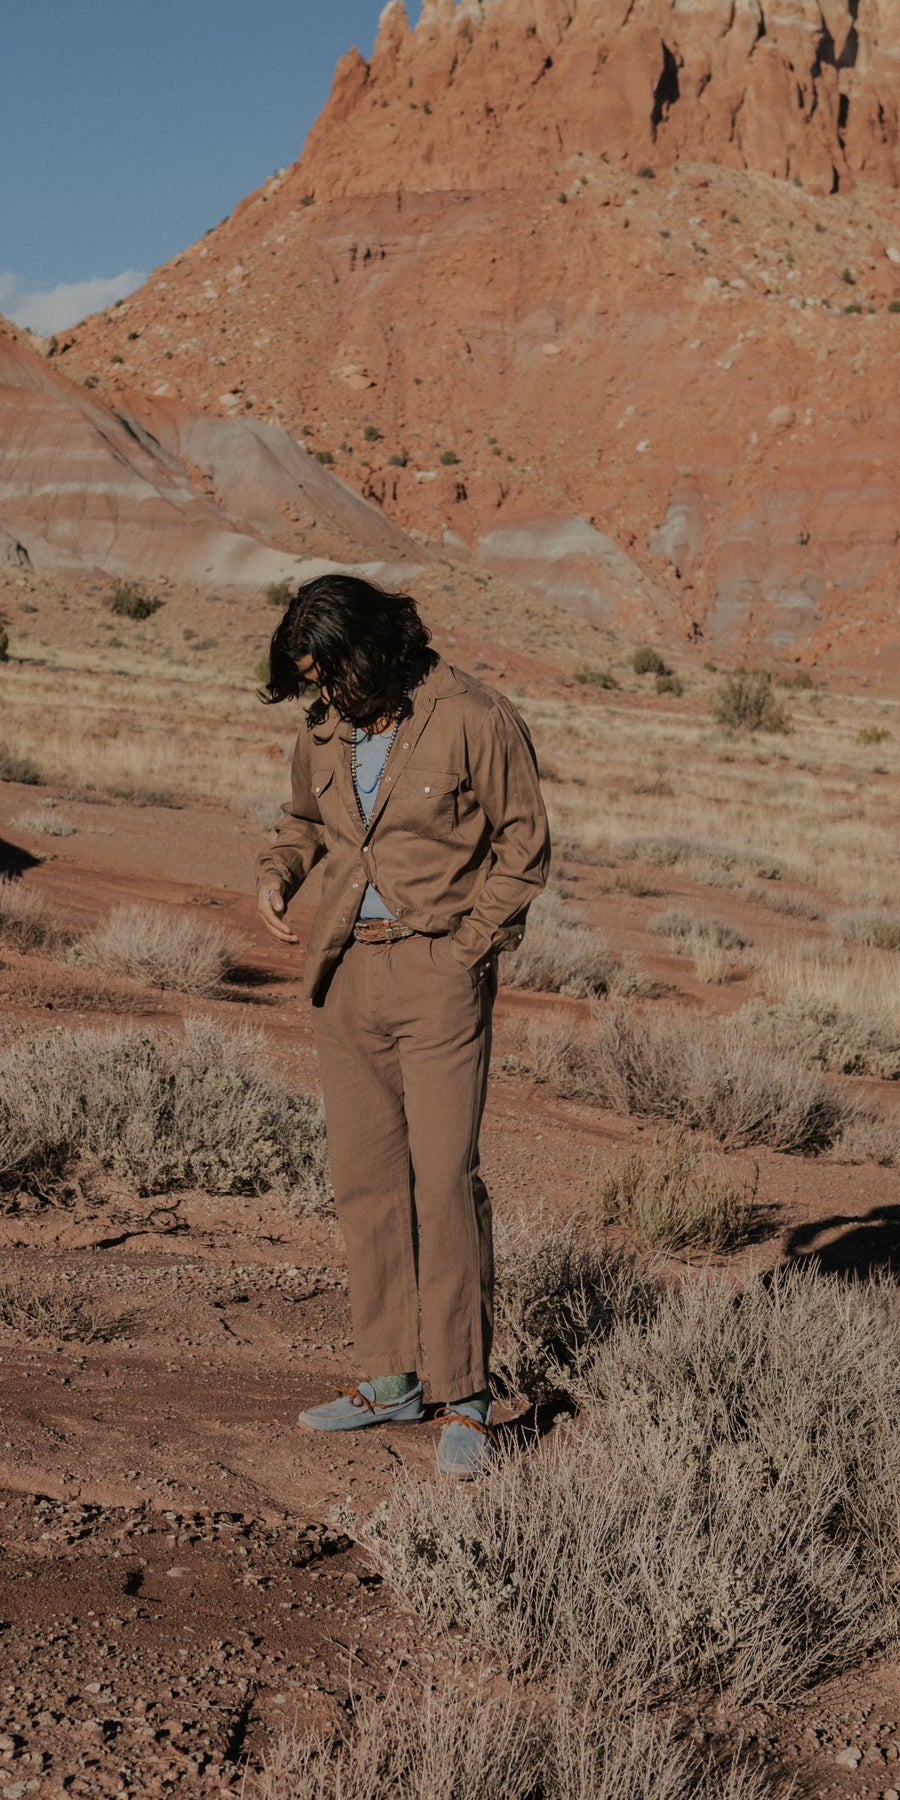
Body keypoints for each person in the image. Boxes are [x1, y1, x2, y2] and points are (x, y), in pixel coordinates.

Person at [255, 573, 550, 1479]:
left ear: (375, 649)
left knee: (442, 1182)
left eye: (330, 674)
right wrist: (278, 871)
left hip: (437, 975)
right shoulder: (322, 729)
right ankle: (388, 1380)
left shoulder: (471, 715)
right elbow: (304, 822)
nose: (323, 695)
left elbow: (523, 846)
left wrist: (464, 950)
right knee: (365, 1182)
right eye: (311, 681)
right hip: (345, 972)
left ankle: (464, 1395)